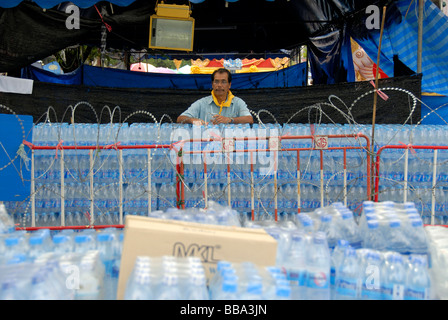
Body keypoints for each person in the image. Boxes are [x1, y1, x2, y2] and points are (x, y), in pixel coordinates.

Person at [177, 68, 254, 125]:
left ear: (229, 85)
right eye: (216, 82)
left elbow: (249, 119)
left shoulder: (238, 102)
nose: (219, 85)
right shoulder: (202, 103)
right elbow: (180, 118)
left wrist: (230, 120)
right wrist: (193, 120)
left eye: (223, 82)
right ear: (212, 84)